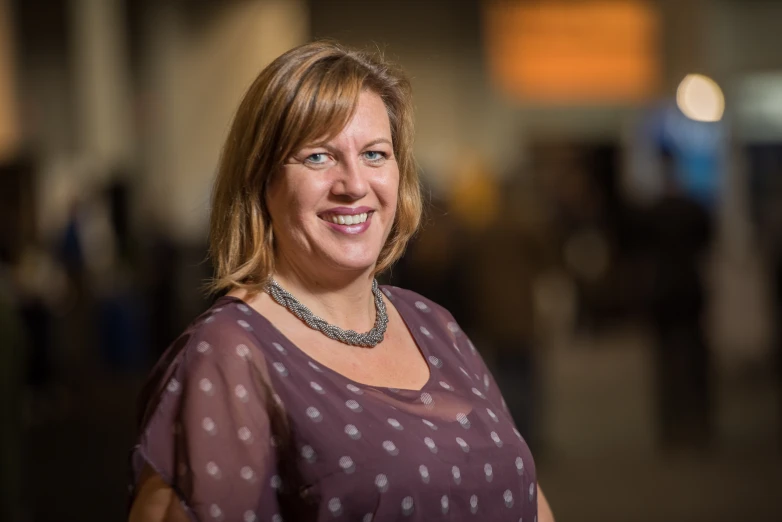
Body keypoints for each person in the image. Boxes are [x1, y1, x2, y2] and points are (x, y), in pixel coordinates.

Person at [129, 41, 555, 522]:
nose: (354, 184)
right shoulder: (229, 353)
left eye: (375, 154)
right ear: (261, 182)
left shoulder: (434, 325)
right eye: (317, 158)